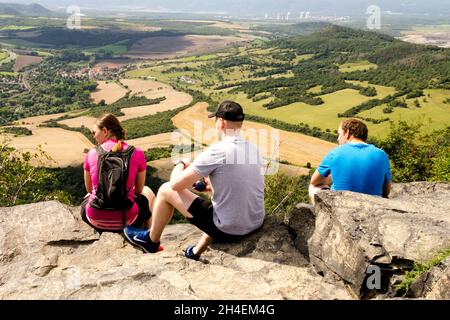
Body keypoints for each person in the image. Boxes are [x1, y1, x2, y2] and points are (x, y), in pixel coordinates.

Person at [123, 101, 265, 259]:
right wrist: (213, 187)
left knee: (165, 189)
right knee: (216, 208)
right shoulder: (254, 149)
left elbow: (176, 185)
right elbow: (241, 186)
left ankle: (150, 240)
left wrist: (181, 164)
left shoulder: (217, 151)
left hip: (229, 231)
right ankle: (195, 251)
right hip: (255, 223)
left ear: (222, 122)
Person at [81, 113, 156, 233]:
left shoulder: (91, 153)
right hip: (128, 219)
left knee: (87, 196)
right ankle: (149, 237)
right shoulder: (137, 153)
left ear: (105, 131)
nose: (93, 136)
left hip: (95, 219)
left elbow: (89, 189)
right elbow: (139, 190)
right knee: (148, 192)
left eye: (94, 132)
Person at [309, 118, 391, 204]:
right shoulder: (382, 154)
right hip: (372, 206)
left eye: (339, 134)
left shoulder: (335, 152)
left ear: (347, 132)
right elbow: (386, 191)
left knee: (313, 187)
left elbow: (314, 181)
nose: (338, 139)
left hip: (340, 206)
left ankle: (319, 215)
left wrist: (332, 179)